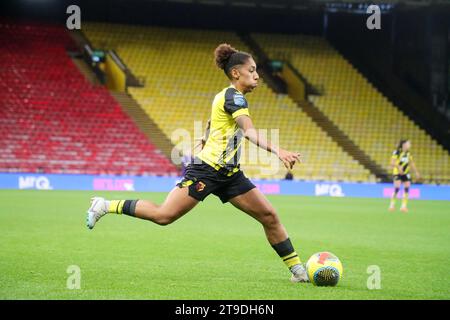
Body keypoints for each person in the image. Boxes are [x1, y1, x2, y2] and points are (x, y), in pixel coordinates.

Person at [86, 43, 309, 283]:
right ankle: (105, 205)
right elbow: (249, 132)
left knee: (269, 216)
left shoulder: (225, 96)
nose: (257, 75)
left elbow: (215, 122)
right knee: (164, 216)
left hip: (230, 174)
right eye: (252, 70)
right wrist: (278, 150)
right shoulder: (234, 97)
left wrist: (204, 136)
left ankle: (298, 272)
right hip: (207, 171)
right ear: (236, 73)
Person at [389, 139, 421, 212]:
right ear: (404, 145)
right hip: (397, 173)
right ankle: (392, 205)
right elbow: (392, 163)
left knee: (407, 188)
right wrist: (398, 167)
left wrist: (416, 172)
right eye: (408, 143)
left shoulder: (409, 153)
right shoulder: (397, 152)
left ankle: (403, 206)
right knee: (397, 188)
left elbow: (411, 163)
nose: (410, 145)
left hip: (406, 173)